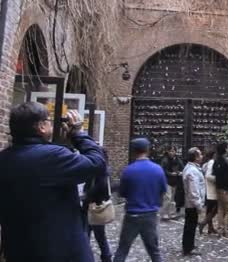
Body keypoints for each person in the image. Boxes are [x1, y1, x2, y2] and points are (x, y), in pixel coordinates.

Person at [0, 104, 106, 262]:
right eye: (48, 120)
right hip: (62, 252)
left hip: (19, 251)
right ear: (41, 126)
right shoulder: (53, 156)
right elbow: (97, 163)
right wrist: (78, 134)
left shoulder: (4, 159)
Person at [113, 138, 167, 262]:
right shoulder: (157, 169)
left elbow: (122, 193)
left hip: (132, 214)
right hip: (150, 215)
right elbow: (163, 191)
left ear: (133, 151)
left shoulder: (128, 170)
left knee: (122, 249)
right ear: (148, 150)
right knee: (154, 251)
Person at [83, 147, 113, 262]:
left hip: (94, 206)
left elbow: (100, 186)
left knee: (88, 233)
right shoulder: (105, 168)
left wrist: (87, 196)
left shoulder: (99, 170)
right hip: (98, 205)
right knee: (99, 235)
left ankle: (92, 257)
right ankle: (106, 257)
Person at [182, 147, 206, 256]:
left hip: (191, 203)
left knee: (190, 225)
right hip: (192, 204)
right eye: (200, 155)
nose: (202, 156)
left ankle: (188, 245)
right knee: (190, 226)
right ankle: (188, 247)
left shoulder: (192, 168)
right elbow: (194, 190)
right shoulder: (192, 171)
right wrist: (199, 205)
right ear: (195, 157)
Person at [213, 142, 228, 239]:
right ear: (225, 149)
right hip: (227, 189)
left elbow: (215, 173)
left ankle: (220, 230)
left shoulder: (216, 160)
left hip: (218, 188)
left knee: (221, 209)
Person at [160, 147, 184, 220]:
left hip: (175, 181)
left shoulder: (178, 160)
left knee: (173, 199)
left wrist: (180, 172)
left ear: (175, 152)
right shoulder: (165, 160)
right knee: (168, 197)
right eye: (170, 151)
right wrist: (170, 174)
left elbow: (182, 168)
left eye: (173, 151)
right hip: (167, 181)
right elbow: (163, 170)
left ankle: (172, 213)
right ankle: (164, 213)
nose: (171, 153)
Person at [200, 147, 218, 235]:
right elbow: (208, 176)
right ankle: (204, 223)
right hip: (212, 189)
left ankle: (210, 227)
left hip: (208, 189)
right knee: (214, 208)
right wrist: (218, 179)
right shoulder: (212, 163)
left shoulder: (206, 164)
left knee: (210, 209)